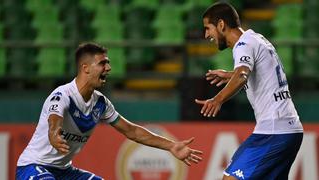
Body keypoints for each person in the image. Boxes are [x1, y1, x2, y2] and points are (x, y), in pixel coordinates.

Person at [16, 42, 203, 179]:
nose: (109, 68)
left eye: (108, 63)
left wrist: (171, 146)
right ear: (85, 68)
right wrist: (54, 134)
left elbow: (132, 131)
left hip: (64, 171)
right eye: (103, 63)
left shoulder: (101, 103)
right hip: (34, 166)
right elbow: (54, 118)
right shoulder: (62, 95)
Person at [195, 2, 303, 180]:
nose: (207, 35)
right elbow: (256, 73)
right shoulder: (256, 38)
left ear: (221, 25)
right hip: (288, 130)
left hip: (273, 131)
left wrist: (218, 99)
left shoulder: (243, 45)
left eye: (208, 28)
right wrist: (231, 75)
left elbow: (243, 74)